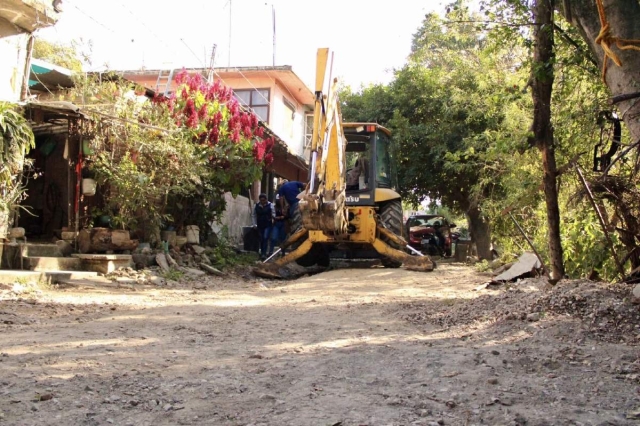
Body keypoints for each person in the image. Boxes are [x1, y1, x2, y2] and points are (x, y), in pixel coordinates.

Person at [252, 193, 275, 260]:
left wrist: (273, 221)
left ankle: (264, 254)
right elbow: (254, 215)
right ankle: (262, 252)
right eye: (261, 200)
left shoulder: (270, 205)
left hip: (268, 224)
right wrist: (254, 224)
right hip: (260, 225)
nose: (262, 202)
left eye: (263, 200)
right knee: (261, 238)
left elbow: (273, 214)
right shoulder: (256, 206)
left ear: (266, 200)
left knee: (265, 238)